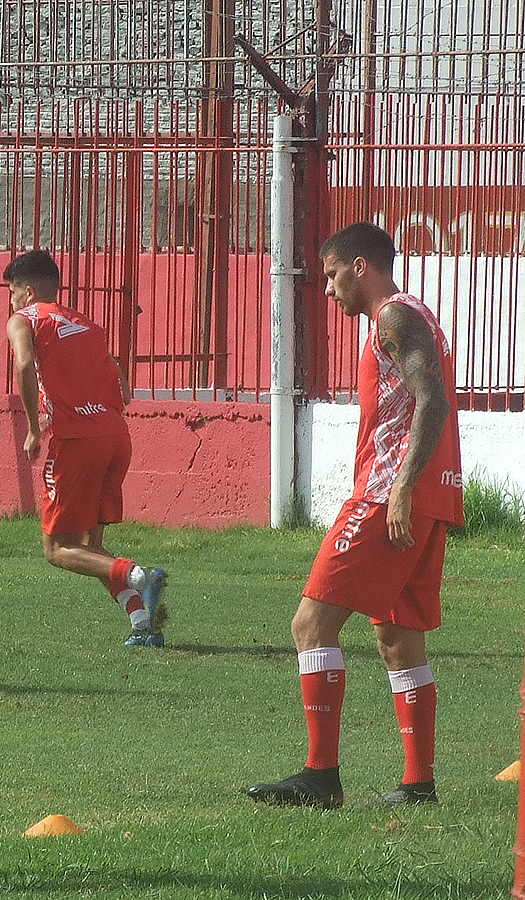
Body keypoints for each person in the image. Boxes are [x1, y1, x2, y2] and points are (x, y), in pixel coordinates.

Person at [246, 222, 463, 808]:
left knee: (310, 625)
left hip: (388, 496)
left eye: (332, 274)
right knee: (398, 638)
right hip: (429, 497)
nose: (328, 288)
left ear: (360, 267)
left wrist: (400, 488)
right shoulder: (413, 315)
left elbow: (434, 400)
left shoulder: (393, 316)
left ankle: (321, 776)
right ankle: (418, 784)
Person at [4, 249, 168, 646]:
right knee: (90, 548)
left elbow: (24, 366)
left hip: (77, 442)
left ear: (28, 292)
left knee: (57, 549)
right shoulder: (87, 324)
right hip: (115, 437)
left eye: (11, 291)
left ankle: (140, 576)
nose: (11, 300)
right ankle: (141, 625)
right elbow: (122, 388)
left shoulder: (24, 320)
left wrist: (33, 427)